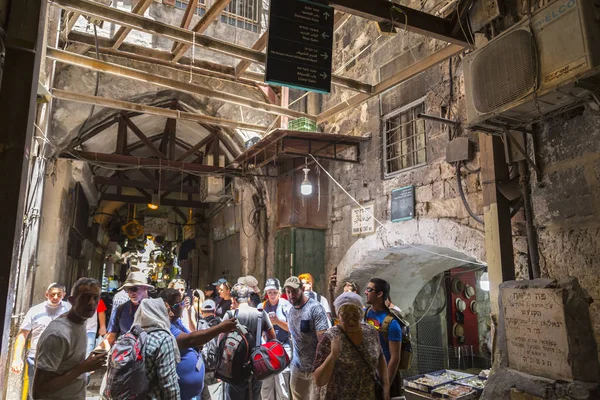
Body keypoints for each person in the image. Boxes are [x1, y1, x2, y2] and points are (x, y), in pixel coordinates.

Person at [32, 278, 107, 399]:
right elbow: (39, 390)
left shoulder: (81, 322)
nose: (91, 302)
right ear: (72, 301)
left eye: (95, 298)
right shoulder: (58, 335)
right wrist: (83, 368)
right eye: (85, 297)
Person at [160, 289, 237, 400]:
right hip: (180, 392)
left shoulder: (177, 321)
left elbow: (191, 336)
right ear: (167, 307)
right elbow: (189, 339)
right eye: (178, 305)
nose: (181, 306)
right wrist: (220, 328)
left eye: (182, 303)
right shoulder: (167, 326)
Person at [313, 292, 390, 400]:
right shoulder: (330, 337)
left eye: (355, 315)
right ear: (338, 316)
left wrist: (386, 385)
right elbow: (319, 380)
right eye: (346, 315)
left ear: (361, 315)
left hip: (367, 395)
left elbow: (380, 356)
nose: (351, 320)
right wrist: (333, 355)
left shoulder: (370, 332)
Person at [11, 282, 71, 398]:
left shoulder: (70, 310)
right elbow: (22, 334)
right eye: (52, 294)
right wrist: (16, 358)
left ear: (64, 295)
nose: (55, 297)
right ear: (46, 294)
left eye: (59, 295)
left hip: (61, 359)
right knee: (36, 393)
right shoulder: (35, 311)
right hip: (36, 358)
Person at [223, 283, 276, 400]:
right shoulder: (261, 314)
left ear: (233, 299)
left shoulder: (230, 315)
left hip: (234, 368)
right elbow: (273, 339)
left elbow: (220, 341)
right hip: (256, 367)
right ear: (248, 298)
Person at [284, 276, 329, 400]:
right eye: (288, 292)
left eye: (294, 291)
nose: (291, 295)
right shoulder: (290, 310)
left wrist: (320, 367)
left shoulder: (316, 309)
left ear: (302, 289)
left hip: (314, 369)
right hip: (297, 367)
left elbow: (324, 341)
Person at [131, 298, 181, 400]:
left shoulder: (128, 336)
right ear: (156, 312)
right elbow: (169, 384)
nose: (171, 314)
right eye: (167, 311)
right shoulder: (162, 339)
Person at [364, 278, 403, 397]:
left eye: (369, 290)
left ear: (380, 294)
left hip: (386, 375)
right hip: (371, 373)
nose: (365, 292)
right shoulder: (366, 313)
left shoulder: (392, 323)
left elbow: (395, 358)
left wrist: (386, 385)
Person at [260, 278, 292, 400]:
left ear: (279, 292)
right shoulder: (262, 306)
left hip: (283, 347)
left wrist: (277, 322)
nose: (272, 295)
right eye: (269, 293)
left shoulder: (286, 305)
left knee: (281, 382)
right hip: (267, 348)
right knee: (266, 383)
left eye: (274, 292)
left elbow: (292, 328)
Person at [104, 271, 153, 347]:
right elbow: (111, 337)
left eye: (134, 289)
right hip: (125, 355)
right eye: (127, 290)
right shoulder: (120, 310)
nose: (131, 293)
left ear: (145, 288)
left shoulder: (155, 309)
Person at [197, 300, 222, 400]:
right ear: (214, 311)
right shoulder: (221, 324)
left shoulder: (199, 325)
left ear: (202, 311)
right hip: (219, 371)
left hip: (204, 371)